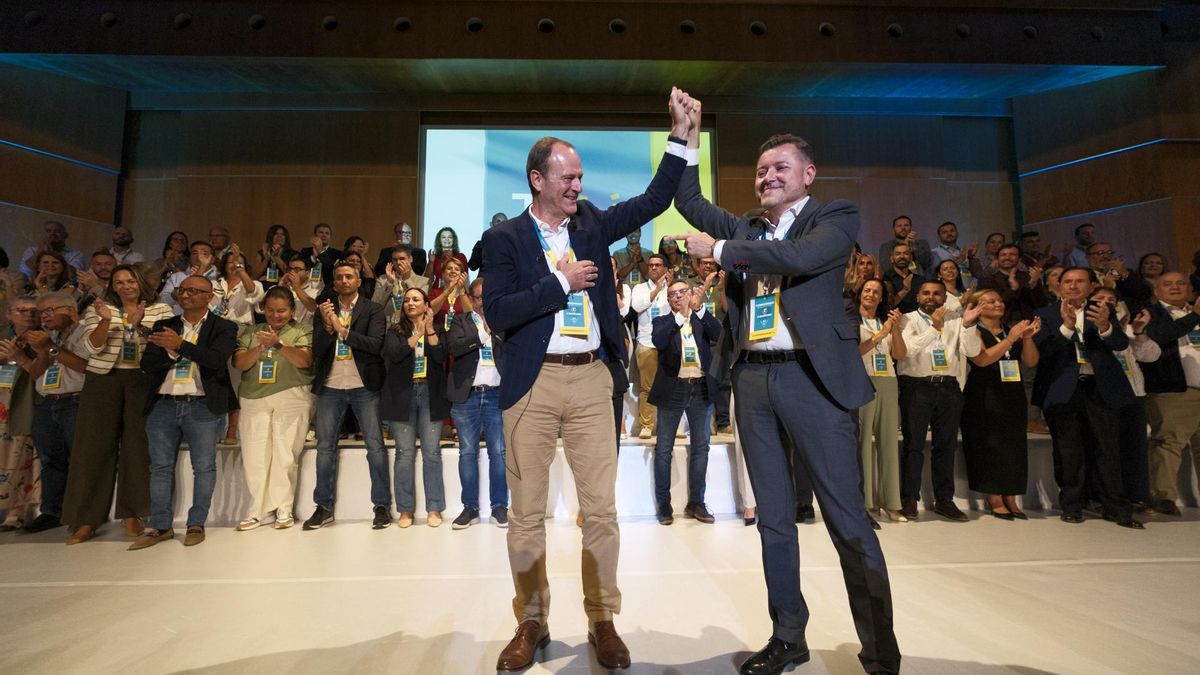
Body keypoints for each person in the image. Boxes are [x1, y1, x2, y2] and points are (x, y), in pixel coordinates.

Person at [672, 112, 901, 672]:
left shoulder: (834, 216)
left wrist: (720, 250)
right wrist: (686, 136)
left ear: (808, 174)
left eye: (780, 167)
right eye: (760, 170)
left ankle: (880, 651)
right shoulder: (748, 228)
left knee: (847, 520)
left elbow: (798, 259)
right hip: (752, 378)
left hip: (812, 381)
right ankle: (788, 637)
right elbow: (688, 198)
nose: (767, 176)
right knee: (773, 519)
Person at [486, 88, 691, 673]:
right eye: (568, 178)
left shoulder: (594, 224)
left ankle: (603, 619)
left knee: (600, 511)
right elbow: (498, 312)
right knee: (525, 514)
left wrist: (678, 136)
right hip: (531, 384)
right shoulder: (504, 240)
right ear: (537, 180)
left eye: (580, 177)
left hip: (592, 382)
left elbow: (654, 199)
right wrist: (562, 284)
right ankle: (531, 621)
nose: (578, 186)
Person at [61, 265, 175, 544]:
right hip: (103, 379)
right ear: (112, 285)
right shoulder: (100, 308)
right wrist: (103, 321)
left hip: (142, 379)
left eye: (130, 281)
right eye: (119, 282)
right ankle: (86, 518)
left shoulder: (160, 310)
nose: (125, 286)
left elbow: (166, 346)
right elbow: (91, 348)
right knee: (92, 447)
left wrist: (138, 324)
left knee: (138, 447)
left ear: (140, 283)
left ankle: (132, 513)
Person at [130, 274, 238, 550]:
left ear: (208, 296)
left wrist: (179, 346)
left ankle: (196, 523)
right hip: (163, 403)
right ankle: (161, 526)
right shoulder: (164, 324)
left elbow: (215, 360)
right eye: (182, 290)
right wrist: (168, 351)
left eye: (192, 290)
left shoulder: (223, 327)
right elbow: (148, 363)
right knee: (160, 468)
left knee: (203, 468)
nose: (185, 294)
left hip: (202, 405)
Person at [1031, 267, 1142, 528]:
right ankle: (1072, 505)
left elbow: (1120, 344)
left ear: (1091, 286)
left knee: (1108, 449)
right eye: (1067, 281)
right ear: (1058, 285)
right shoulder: (1045, 314)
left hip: (1100, 387)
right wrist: (1067, 327)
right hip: (1062, 388)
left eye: (1079, 281)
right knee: (1068, 450)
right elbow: (1041, 351)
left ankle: (1116, 507)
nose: (1072, 286)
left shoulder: (1103, 311)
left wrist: (1104, 326)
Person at [302, 261, 388, 530]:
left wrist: (343, 330)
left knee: (375, 446)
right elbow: (316, 349)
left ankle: (382, 506)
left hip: (364, 386)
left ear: (359, 281)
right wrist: (328, 328)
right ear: (334, 282)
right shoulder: (324, 310)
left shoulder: (373, 309)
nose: (344, 280)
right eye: (339, 277)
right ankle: (323, 506)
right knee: (325, 447)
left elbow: (375, 345)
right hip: (330, 386)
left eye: (349, 276)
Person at [896, 281, 982, 522]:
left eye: (937, 293)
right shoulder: (907, 319)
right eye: (926, 293)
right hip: (916, 386)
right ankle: (909, 499)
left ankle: (944, 500)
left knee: (946, 446)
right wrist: (934, 328)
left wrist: (969, 325)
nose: (931, 297)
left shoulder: (957, 319)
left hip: (949, 387)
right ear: (918, 296)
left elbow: (972, 351)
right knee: (913, 446)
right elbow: (908, 350)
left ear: (945, 297)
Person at [232, 286, 315, 531]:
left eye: (281, 311)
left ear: (291, 311)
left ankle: (283, 508)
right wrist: (259, 348)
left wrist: (278, 344)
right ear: (262, 309)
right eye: (270, 310)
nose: (275, 316)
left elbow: (305, 360)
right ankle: (257, 509)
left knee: (285, 454)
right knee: (255, 456)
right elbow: (239, 363)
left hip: (292, 396)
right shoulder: (250, 332)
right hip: (253, 398)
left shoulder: (303, 330)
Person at [961, 289, 1040, 520]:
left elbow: (1030, 361)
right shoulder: (973, 330)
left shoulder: (1010, 330)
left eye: (1000, 300)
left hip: (1012, 393)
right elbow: (982, 360)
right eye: (991, 301)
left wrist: (1026, 338)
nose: (998, 304)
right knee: (990, 444)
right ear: (977, 306)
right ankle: (994, 496)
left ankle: (1011, 495)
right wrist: (1011, 338)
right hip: (984, 393)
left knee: (1014, 444)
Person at [649, 279, 721, 525]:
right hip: (674, 389)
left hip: (700, 387)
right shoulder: (662, 321)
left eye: (682, 292)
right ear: (668, 300)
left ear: (691, 293)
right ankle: (664, 504)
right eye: (672, 294)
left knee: (701, 447)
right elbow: (658, 341)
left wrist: (698, 310)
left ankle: (697, 502)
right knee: (664, 449)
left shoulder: (702, 318)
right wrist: (680, 317)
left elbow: (718, 334)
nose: (678, 296)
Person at [18, 292, 89, 532]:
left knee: (80, 460)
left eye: (49, 310)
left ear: (69, 310)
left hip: (75, 402)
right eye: (41, 313)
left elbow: (84, 367)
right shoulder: (50, 337)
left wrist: (51, 348)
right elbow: (38, 375)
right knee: (51, 460)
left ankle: (82, 513)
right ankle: (52, 511)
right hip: (47, 402)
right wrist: (39, 352)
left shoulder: (85, 332)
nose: (43, 317)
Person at [381, 288, 448, 528]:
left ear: (427, 304)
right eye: (407, 300)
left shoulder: (438, 329)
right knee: (404, 454)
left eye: (416, 299)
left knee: (432, 453)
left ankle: (434, 508)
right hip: (402, 395)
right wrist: (415, 335)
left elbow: (440, 356)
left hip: (430, 393)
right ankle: (406, 510)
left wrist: (428, 330)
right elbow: (394, 354)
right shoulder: (395, 330)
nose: (410, 303)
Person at [446, 277, 508, 529]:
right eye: (478, 297)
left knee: (499, 453)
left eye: (486, 297)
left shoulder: (504, 320)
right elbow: (456, 347)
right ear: (470, 298)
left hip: (497, 393)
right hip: (467, 395)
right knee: (467, 453)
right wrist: (484, 333)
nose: (482, 302)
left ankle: (500, 506)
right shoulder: (460, 321)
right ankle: (469, 507)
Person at [1140, 272, 1200, 516]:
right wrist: (1196, 315)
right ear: (1156, 291)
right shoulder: (1152, 313)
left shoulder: (1191, 311)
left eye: (1181, 283)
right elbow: (1160, 336)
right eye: (1168, 284)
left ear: (1190, 288)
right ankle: (1163, 497)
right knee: (1168, 443)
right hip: (1174, 391)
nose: (1175, 287)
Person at [855, 279, 907, 523]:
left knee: (889, 441)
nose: (871, 295)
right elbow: (854, 353)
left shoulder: (885, 321)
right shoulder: (852, 320)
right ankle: (865, 503)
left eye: (876, 292)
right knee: (863, 443)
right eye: (867, 290)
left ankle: (892, 503)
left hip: (888, 380)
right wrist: (880, 335)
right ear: (860, 294)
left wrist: (893, 330)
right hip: (863, 380)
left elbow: (899, 354)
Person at [0, 296, 41, 530]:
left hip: (25, 401)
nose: (28, 314)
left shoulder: (43, 338)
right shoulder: (2, 336)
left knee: (21, 455)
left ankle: (18, 509)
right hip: (2, 399)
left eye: (33, 311)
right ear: (9, 314)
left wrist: (21, 356)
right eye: (21, 310)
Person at [630, 254, 673, 438]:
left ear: (665, 269)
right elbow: (638, 306)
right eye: (651, 265)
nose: (654, 268)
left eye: (658, 265)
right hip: (646, 342)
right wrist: (657, 288)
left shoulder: (672, 288)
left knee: (671, 385)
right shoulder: (640, 288)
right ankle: (646, 425)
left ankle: (672, 425)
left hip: (669, 343)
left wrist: (668, 287)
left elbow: (677, 309)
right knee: (647, 387)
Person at [978, 243, 1047, 325]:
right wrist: (1012, 290)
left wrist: (1033, 285)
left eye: (1012, 254)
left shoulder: (1029, 277)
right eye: (1003, 255)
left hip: (1030, 323)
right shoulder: (987, 280)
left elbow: (1042, 304)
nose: (1007, 258)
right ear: (997, 259)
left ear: (1019, 259)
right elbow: (990, 307)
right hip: (1001, 325)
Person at [372, 244, 431, 325]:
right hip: (387, 327)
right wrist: (389, 283)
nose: (398, 262)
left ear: (410, 259)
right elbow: (375, 305)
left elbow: (420, 307)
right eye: (395, 260)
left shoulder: (423, 281)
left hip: (411, 326)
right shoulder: (383, 279)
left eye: (402, 259)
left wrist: (407, 280)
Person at [161, 241, 219, 313]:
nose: (199, 256)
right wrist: (174, 296)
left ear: (212, 259)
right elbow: (163, 300)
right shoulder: (176, 277)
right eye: (195, 253)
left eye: (204, 253)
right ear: (190, 257)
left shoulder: (220, 278)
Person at [19, 220, 87, 277]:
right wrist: (40, 251)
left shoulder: (76, 254)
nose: (52, 234)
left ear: (65, 235)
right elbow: (25, 272)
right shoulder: (31, 251)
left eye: (57, 231)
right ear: (43, 235)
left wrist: (51, 254)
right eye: (48, 231)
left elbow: (73, 275)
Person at [928, 221, 980, 288]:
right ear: (939, 237)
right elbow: (935, 273)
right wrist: (959, 260)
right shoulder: (934, 253)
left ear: (957, 233)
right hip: (949, 292)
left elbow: (977, 274)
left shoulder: (964, 251)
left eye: (952, 231)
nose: (949, 233)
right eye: (945, 232)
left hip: (970, 290)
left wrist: (971, 257)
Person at [428, 257, 470, 332]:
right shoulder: (435, 293)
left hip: (460, 337)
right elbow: (430, 311)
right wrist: (447, 292)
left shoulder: (466, 296)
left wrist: (461, 291)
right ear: (443, 274)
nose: (453, 271)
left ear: (461, 275)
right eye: (449, 268)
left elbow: (470, 317)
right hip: (438, 336)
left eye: (457, 269)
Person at [279, 256, 322, 326]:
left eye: (297, 269)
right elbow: (261, 308)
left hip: (304, 332)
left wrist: (297, 288)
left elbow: (314, 309)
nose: (292, 272)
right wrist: (279, 289)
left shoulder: (316, 290)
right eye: (290, 269)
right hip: (282, 329)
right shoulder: (282, 286)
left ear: (308, 273)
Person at [882, 242, 924, 313]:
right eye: (898, 254)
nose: (902, 256)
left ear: (911, 258)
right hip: (894, 320)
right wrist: (905, 290)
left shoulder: (919, 279)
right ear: (892, 259)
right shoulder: (885, 278)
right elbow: (886, 306)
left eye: (906, 253)